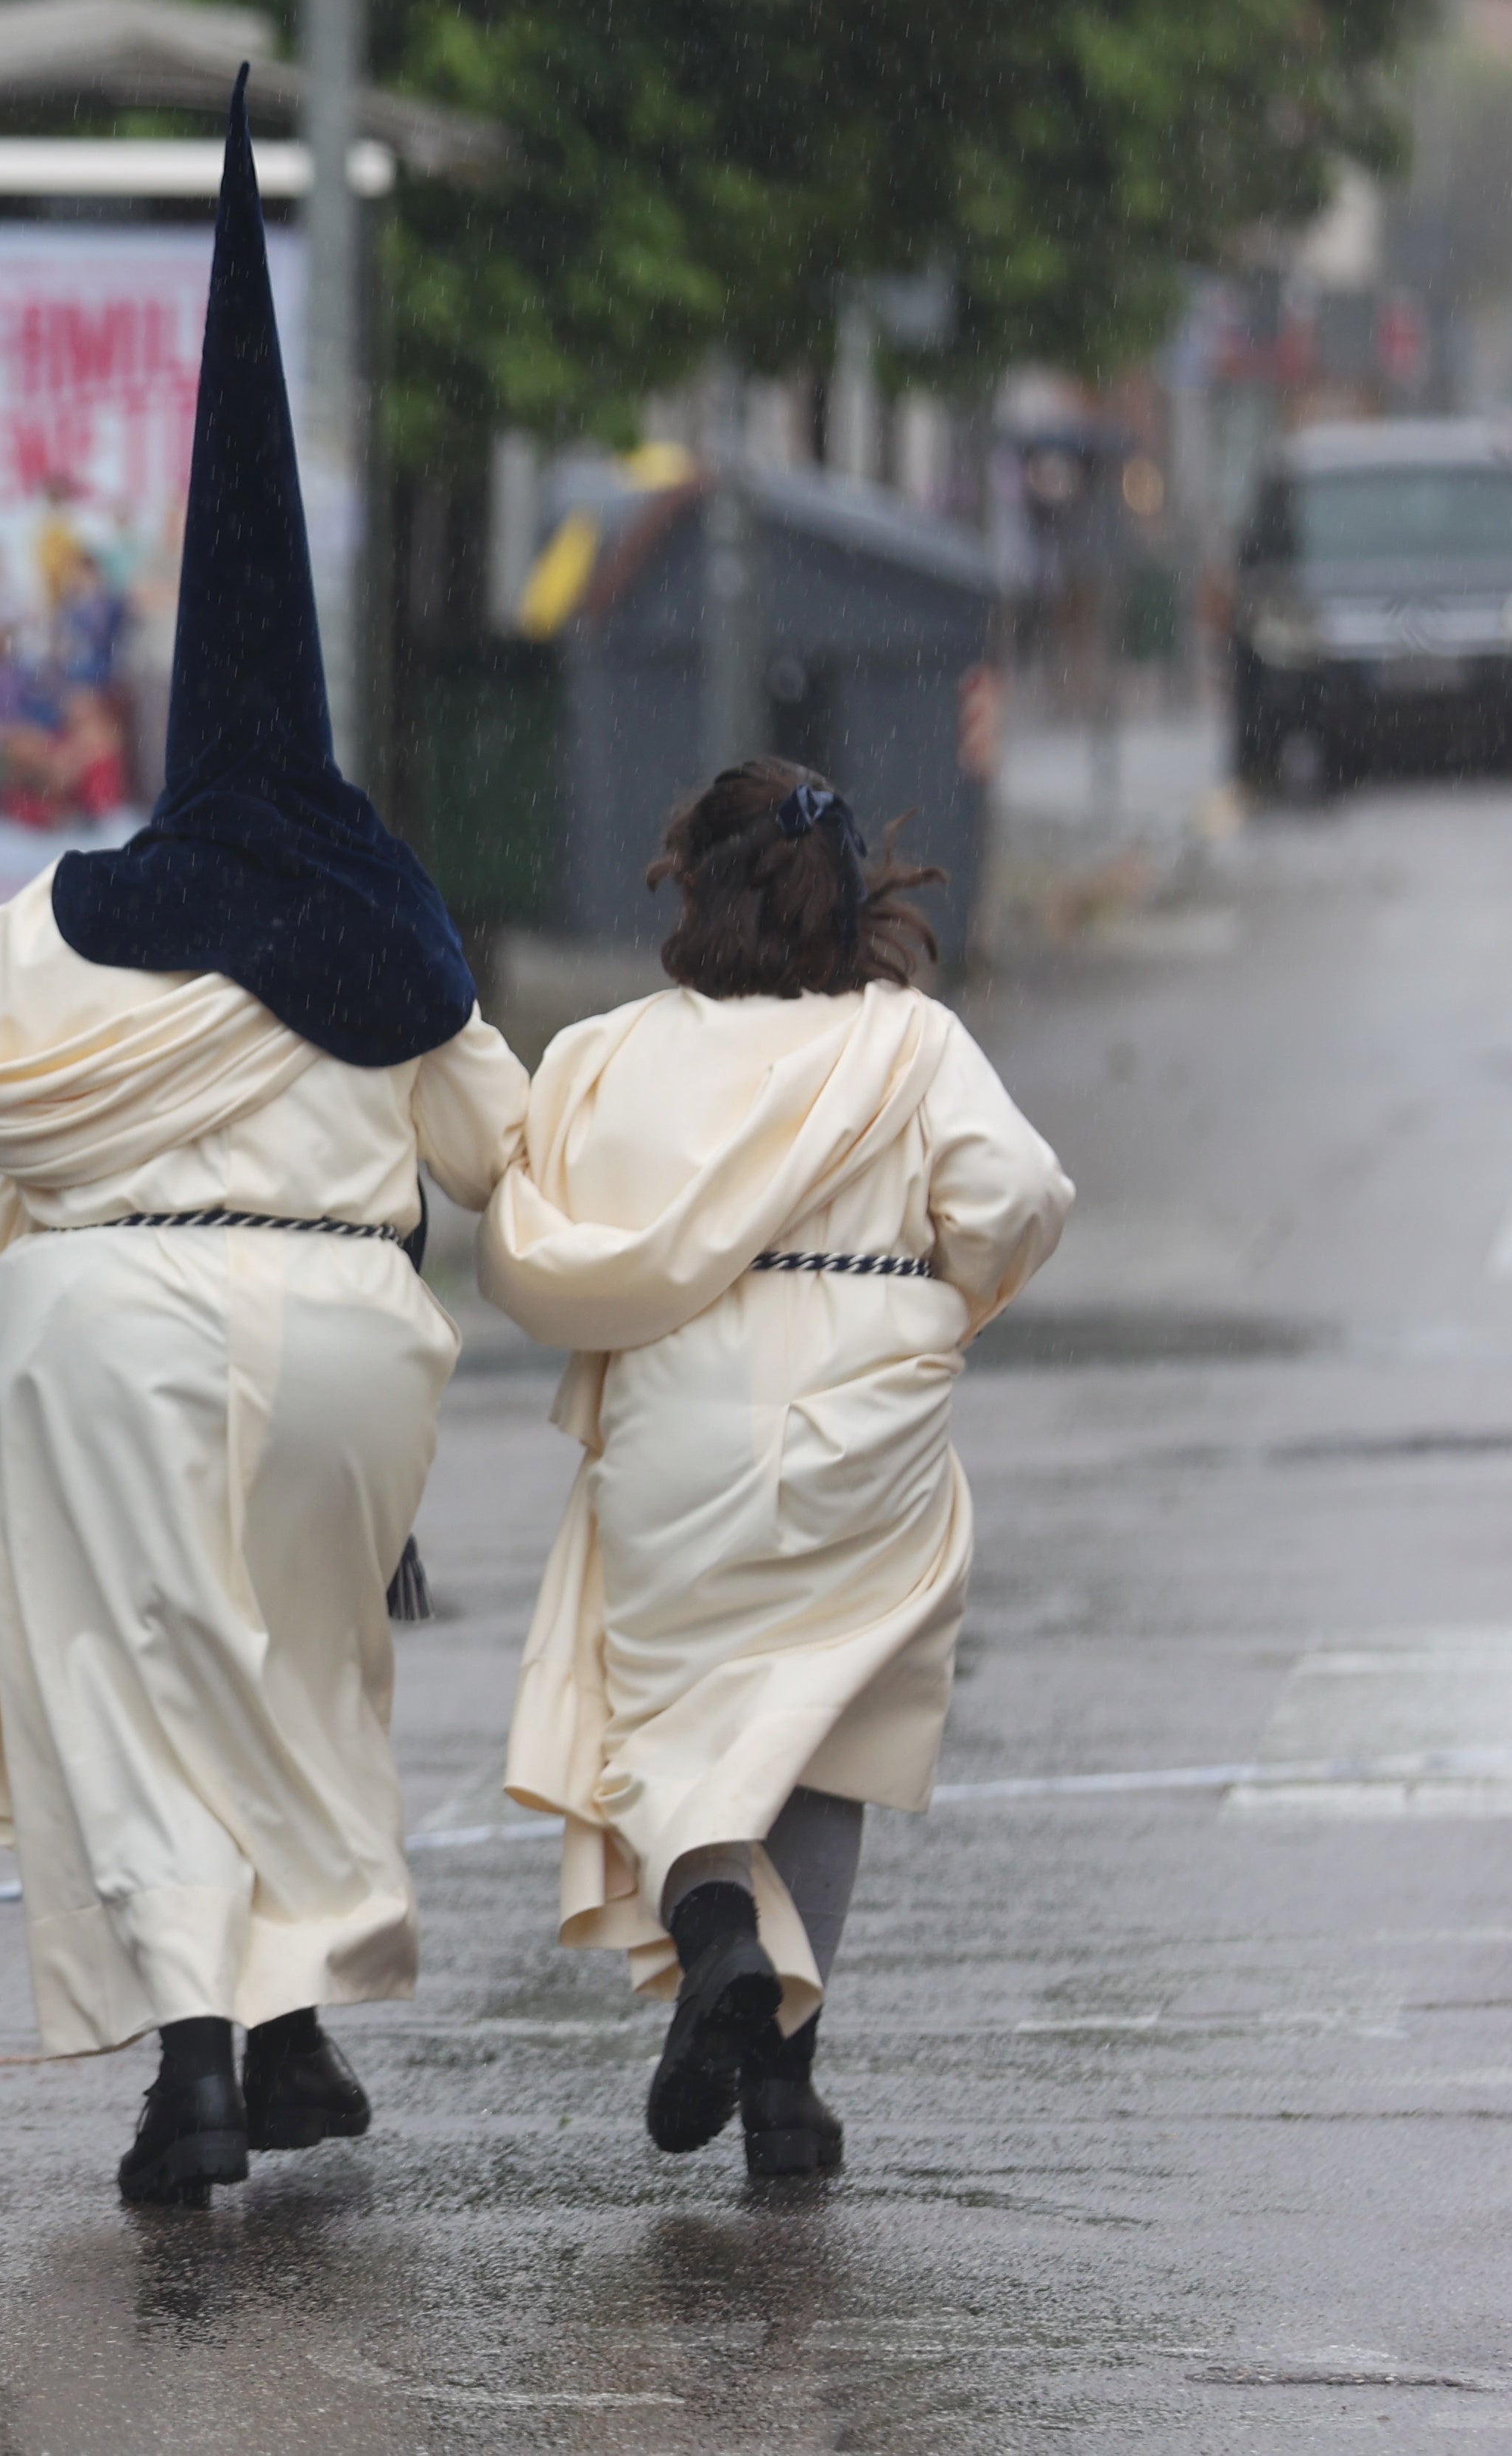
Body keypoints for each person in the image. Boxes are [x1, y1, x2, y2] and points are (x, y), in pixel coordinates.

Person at [0, 79, 529, 2206]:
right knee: (297, 1681)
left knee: (133, 1694)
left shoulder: (64, 916)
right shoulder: (384, 913)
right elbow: (499, 1147)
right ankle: (294, 2031)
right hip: (342, 1341)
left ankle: (196, 2074)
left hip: (101, 1339)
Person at [479, 761, 1069, 2175]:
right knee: (821, 1734)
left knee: (662, 1712)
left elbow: (528, 1213)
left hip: (681, 1400)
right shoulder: (911, 1044)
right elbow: (1015, 1195)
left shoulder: (607, 1054)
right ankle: (784, 2094)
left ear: (695, 888)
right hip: (871, 1403)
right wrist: (938, 1301)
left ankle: (715, 1932)